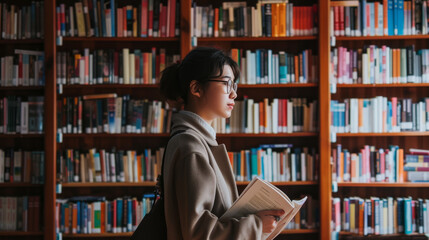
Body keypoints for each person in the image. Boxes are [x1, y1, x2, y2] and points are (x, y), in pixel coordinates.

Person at [160, 47, 285, 239]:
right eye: (227, 84)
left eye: (234, 85)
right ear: (196, 89)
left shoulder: (198, 141)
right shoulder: (190, 146)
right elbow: (198, 233)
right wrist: (257, 225)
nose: (233, 94)